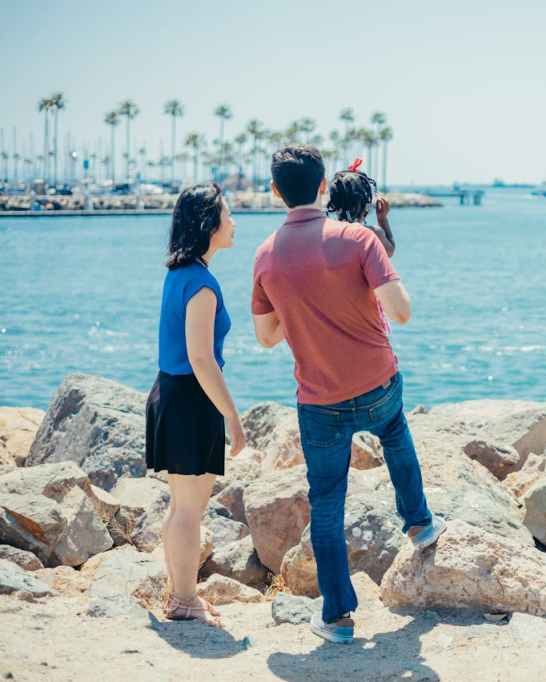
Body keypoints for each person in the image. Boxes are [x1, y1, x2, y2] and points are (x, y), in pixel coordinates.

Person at [251, 146, 445, 645]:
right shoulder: (360, 239)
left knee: (328, 503)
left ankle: (337, 616)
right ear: (322, 187)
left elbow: (267, 337)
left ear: (275, 192)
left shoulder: (266, 255)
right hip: (377, 383)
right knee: (396, 435)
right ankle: (419, 523)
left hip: (319, 400)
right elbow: (401, 312)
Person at [145, 183, 247, 627]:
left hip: (171, 393)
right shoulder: (202, 284)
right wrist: (233, 417)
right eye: (228, 214)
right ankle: (184, 600)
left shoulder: (180, 273)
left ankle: (179, 593)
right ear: (209, 224)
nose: (234, 222)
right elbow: (201, 358)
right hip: (190, 399)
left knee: (180, 505)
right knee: (189, 509)